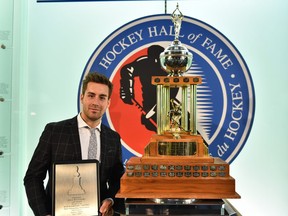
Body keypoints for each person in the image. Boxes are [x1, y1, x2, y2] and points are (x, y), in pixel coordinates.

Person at [24, 72, 124, 216]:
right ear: (82, 97)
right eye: (91, 95)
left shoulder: (113, 138)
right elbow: (33, 177)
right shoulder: (55, 131)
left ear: (108, 103)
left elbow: (116, 179)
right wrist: (43, 213)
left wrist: (110, 199)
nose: (96, 102)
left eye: (102, 97)